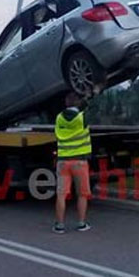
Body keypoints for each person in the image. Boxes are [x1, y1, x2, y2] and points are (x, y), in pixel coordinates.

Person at [53, 92, 92, 233]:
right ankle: (81, 223)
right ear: (78, 103)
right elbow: (88, 107)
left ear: (66, 103)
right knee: (82, 194)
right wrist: (87, 97)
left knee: (61, 195)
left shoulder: (59, 118)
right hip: (79, 162)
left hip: (63, 161)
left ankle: (59, 225)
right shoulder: (82, 118)